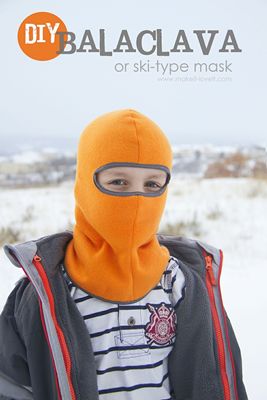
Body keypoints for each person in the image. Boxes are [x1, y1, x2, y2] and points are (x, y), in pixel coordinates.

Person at [0, 109, 248, 400]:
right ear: (85, 184)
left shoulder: (181, 284)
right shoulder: (45, 294)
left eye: (152, 184)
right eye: (119, 182)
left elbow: (211, 382)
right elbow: (12, 387)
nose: (137, 199)